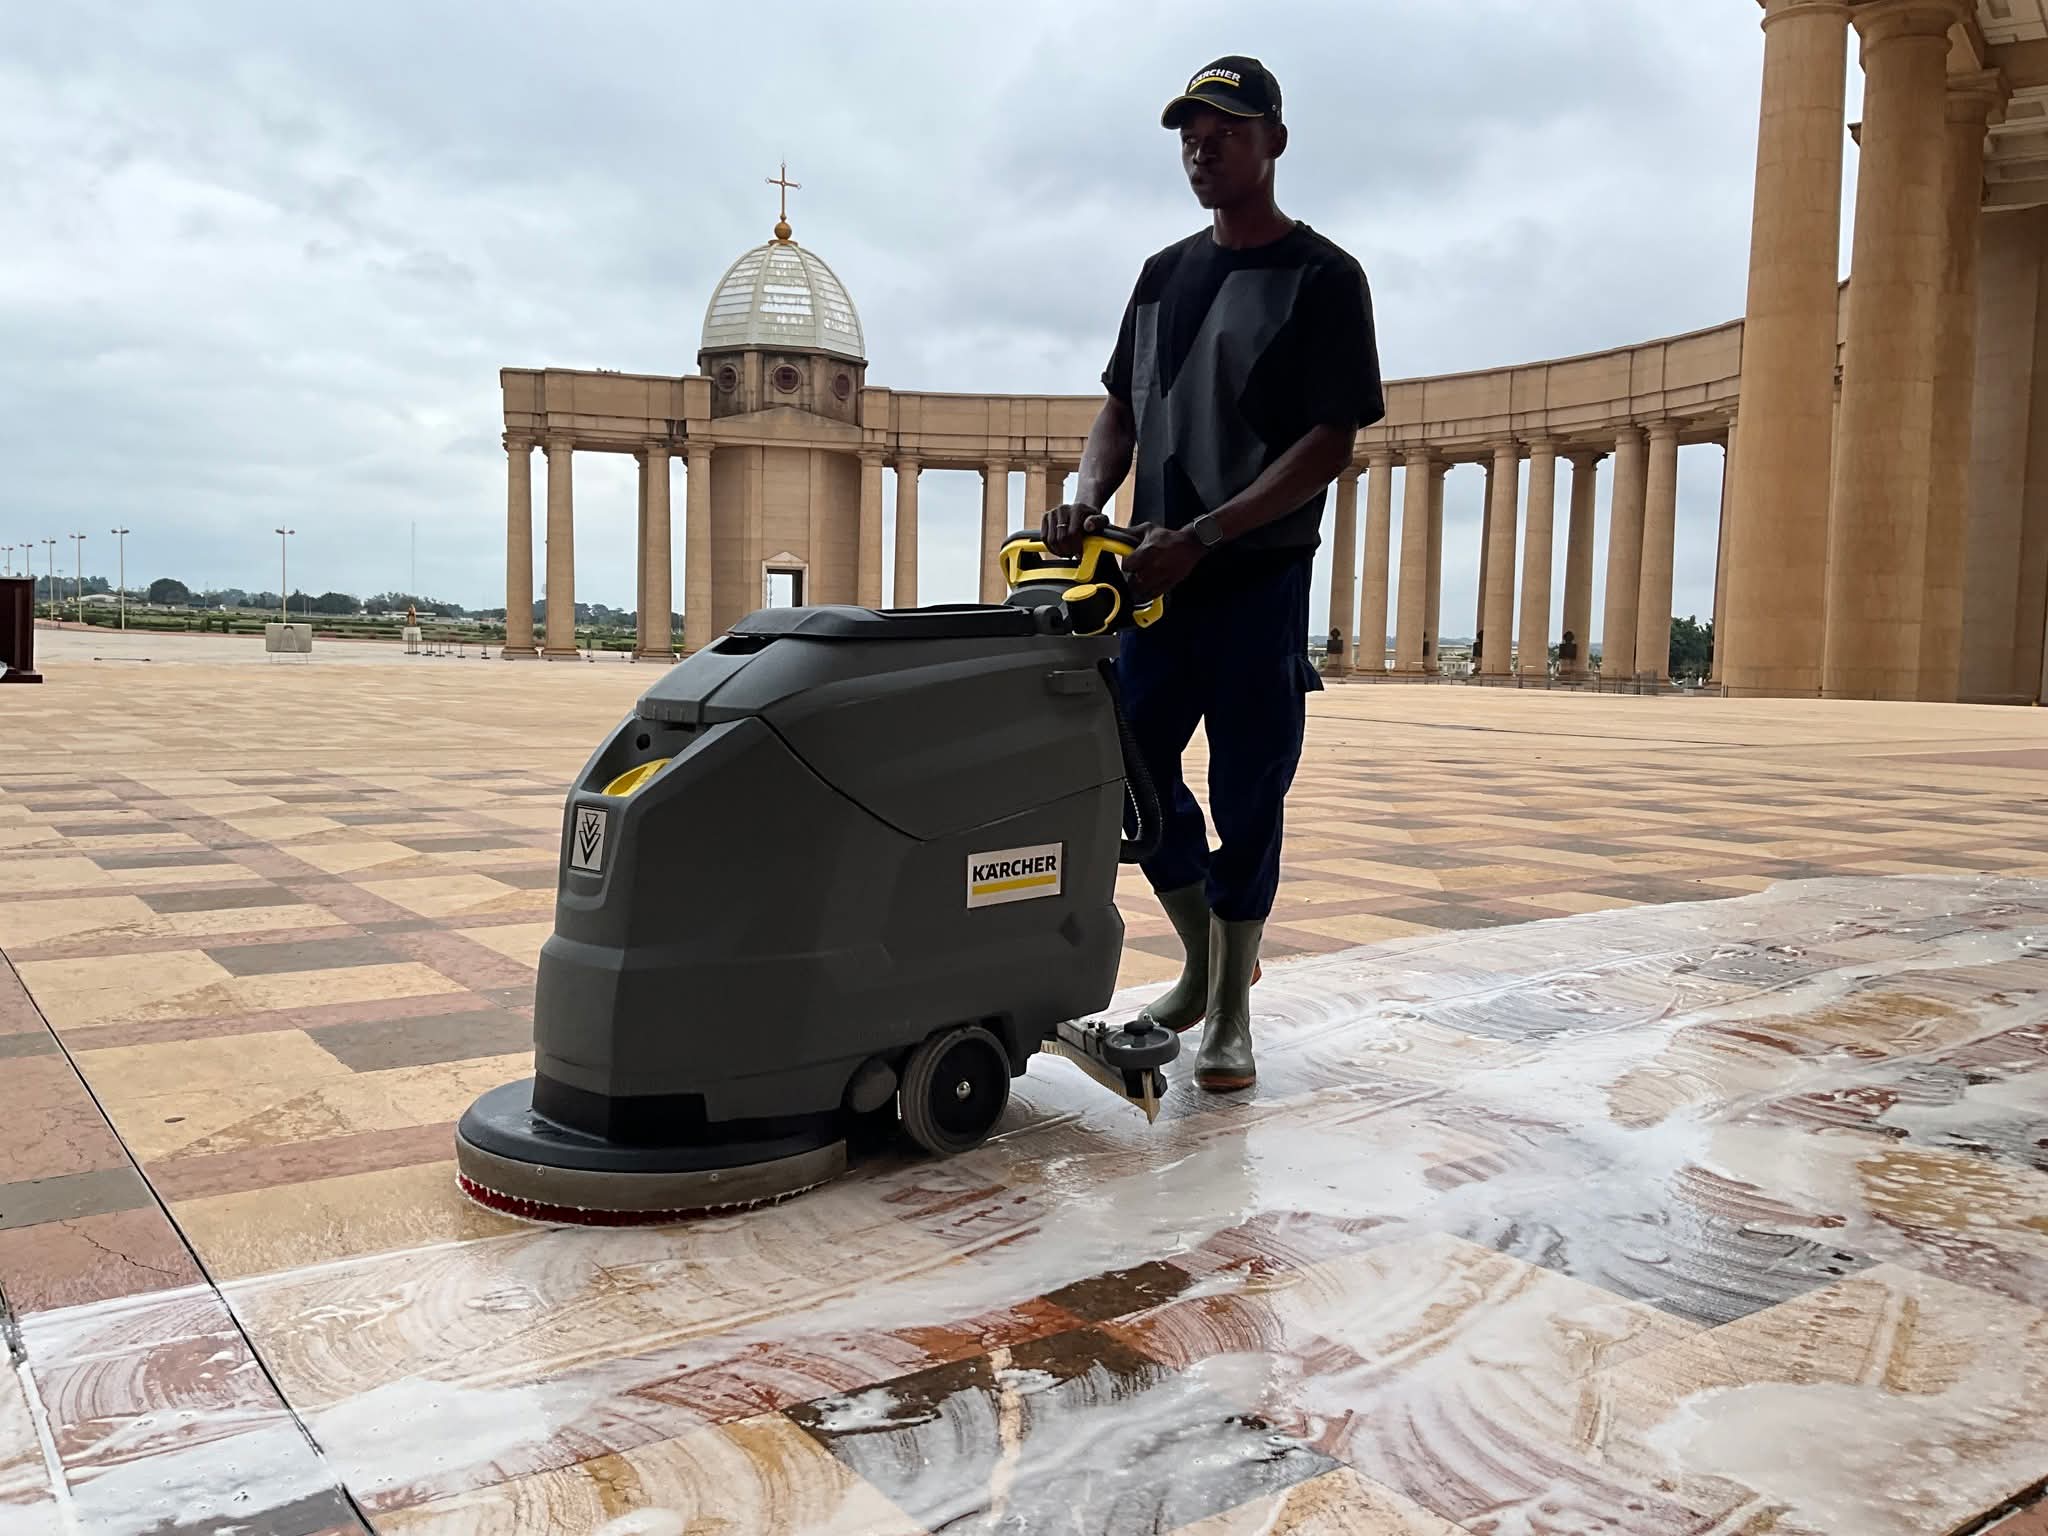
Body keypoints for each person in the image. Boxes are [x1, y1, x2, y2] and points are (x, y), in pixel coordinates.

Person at [1042, 55, 1384, 1092]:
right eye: (1189, 129)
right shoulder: (1158, 275)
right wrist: (1088, 492)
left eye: (1225, 129)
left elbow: (1328, 441)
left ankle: (1230, 1009)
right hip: (1151, 586)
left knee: (1249, 791)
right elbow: (1120, 410)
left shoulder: (1325, 280)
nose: (1201, 145)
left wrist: (1208, 531)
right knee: (1131, 781)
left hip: (1252, 587)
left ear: (1272, 141)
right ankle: (1199, 963)